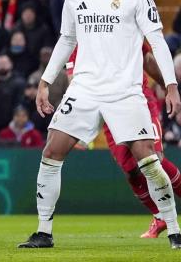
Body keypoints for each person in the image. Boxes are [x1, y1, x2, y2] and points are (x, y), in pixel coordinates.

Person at [19, 0, 181, 249]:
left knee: (147, 159)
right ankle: (43, 232)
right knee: (51, 151)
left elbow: (157, 42)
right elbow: (66, 41)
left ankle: (175, 230)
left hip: (125, 91)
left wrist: (171, 86)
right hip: (84, 90)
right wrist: (45, 82)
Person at [66, 42, 181, 238]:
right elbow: (73, 79)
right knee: (131, 171)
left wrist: (166, 85)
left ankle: (169, 222)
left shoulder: (123, 21)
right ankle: (159, 216)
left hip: (139, 101)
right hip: (109, 112)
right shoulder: (78, 42)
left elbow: (147, 58)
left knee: (154, 159)